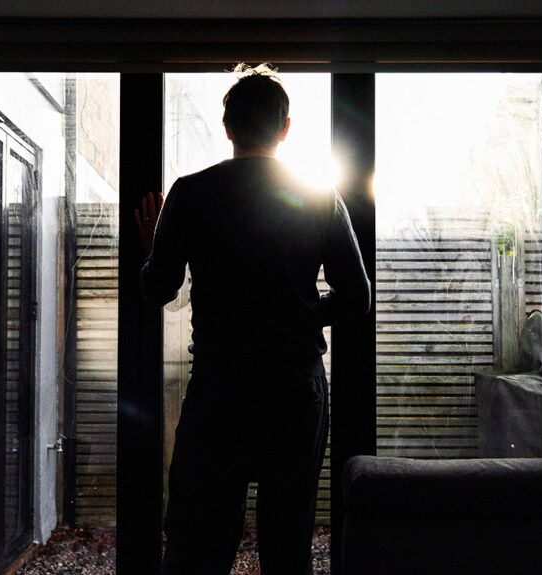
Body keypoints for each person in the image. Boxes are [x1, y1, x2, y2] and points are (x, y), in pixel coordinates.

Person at [136, 64, 371, 575]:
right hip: (295, 388)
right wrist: (306, 315)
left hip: (221, 389)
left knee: (200, 543)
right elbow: (357, 296)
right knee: (287, 544)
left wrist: (155, 247)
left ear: (227, 127)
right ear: (285, 129)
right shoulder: (318, 196)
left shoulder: (191, 193)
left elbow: (158, 291)